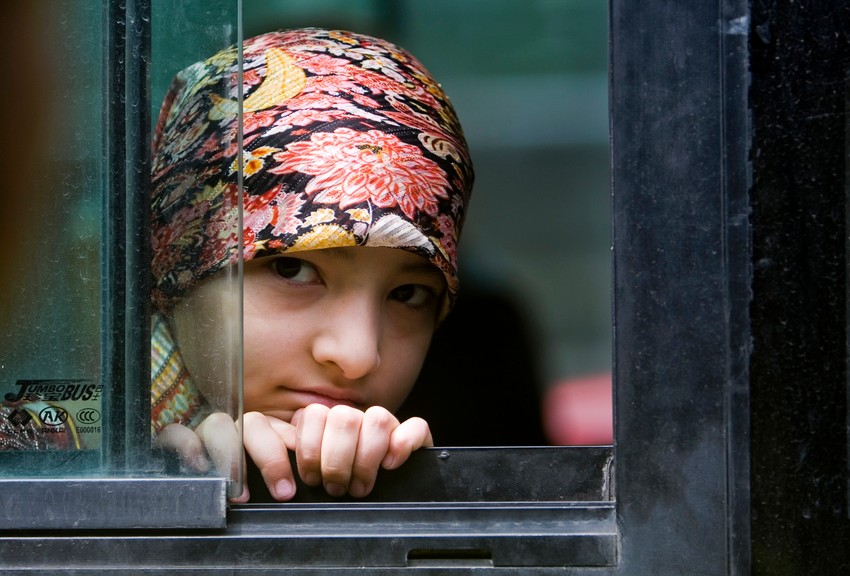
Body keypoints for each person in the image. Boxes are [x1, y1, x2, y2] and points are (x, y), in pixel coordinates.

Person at [148, 28, 474, 502]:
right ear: (178, 259)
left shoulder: (397, 452)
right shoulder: (57, 438)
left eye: (408, 294)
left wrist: (394, 491)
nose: (358, 355)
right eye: (293, 270)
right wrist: (150, 484)